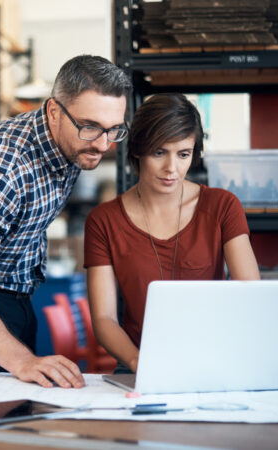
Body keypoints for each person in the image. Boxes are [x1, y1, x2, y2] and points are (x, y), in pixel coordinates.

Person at [0, 55, 132, 388]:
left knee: (22, 402)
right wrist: (23, 360)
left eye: (113, 129)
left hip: (17, 291)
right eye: (90, 127)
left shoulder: (73, 142)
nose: (103, 144)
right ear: (53, 112)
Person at [84, 93, 260, 374]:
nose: (171, 169)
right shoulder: (103, 221)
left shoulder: (222, 206)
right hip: (138, 364)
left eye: (183, 154)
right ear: (138, 150)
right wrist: (136, 361)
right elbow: (104, 318)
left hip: (214, 361)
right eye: (159, 152)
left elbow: (251, 296)